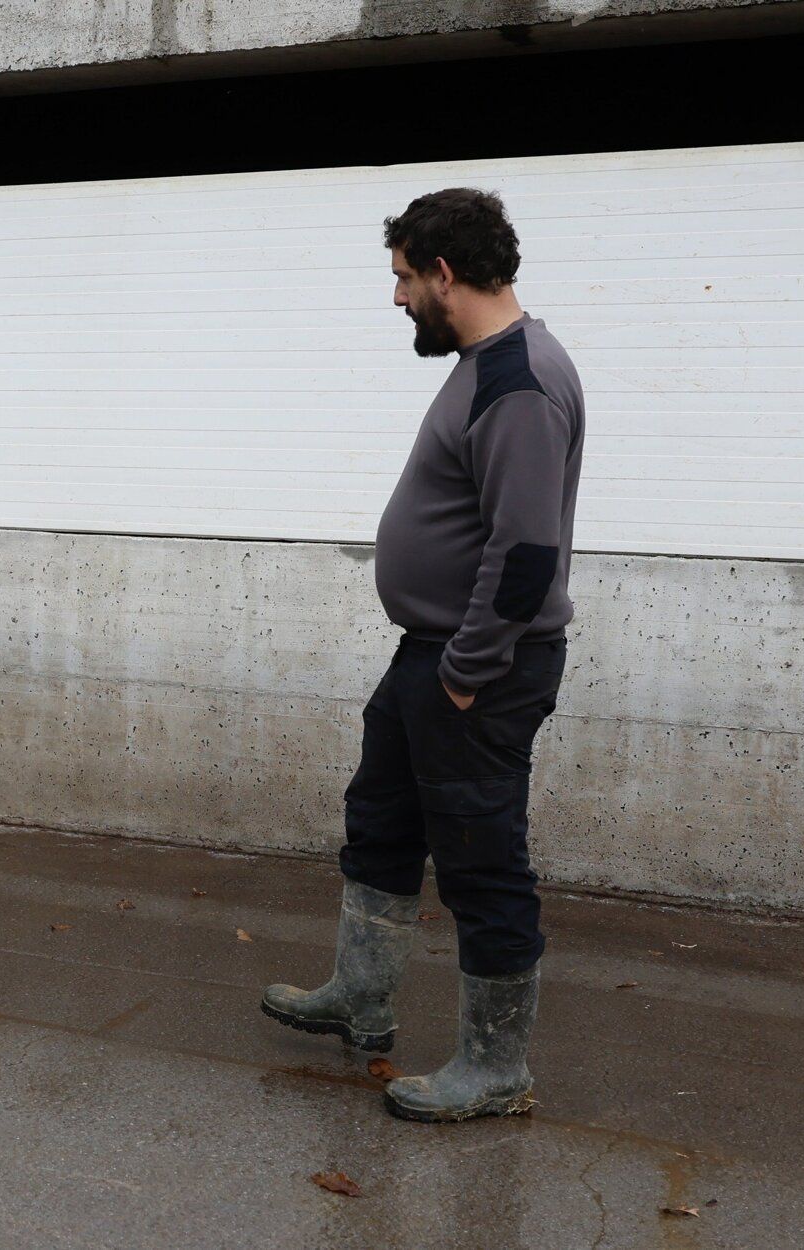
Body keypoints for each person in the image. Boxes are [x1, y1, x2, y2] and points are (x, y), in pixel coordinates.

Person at [260, 188, 585, 1122]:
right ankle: (359, 995)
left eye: (404, 277)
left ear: (445, 272)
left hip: (474, 671)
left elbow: (524, 559)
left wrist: (462, 677)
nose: (397, 297)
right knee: (382, 823)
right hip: (432, 654)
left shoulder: (518, 383)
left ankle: (495, 1069)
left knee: (482, 864)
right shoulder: (487, 365)